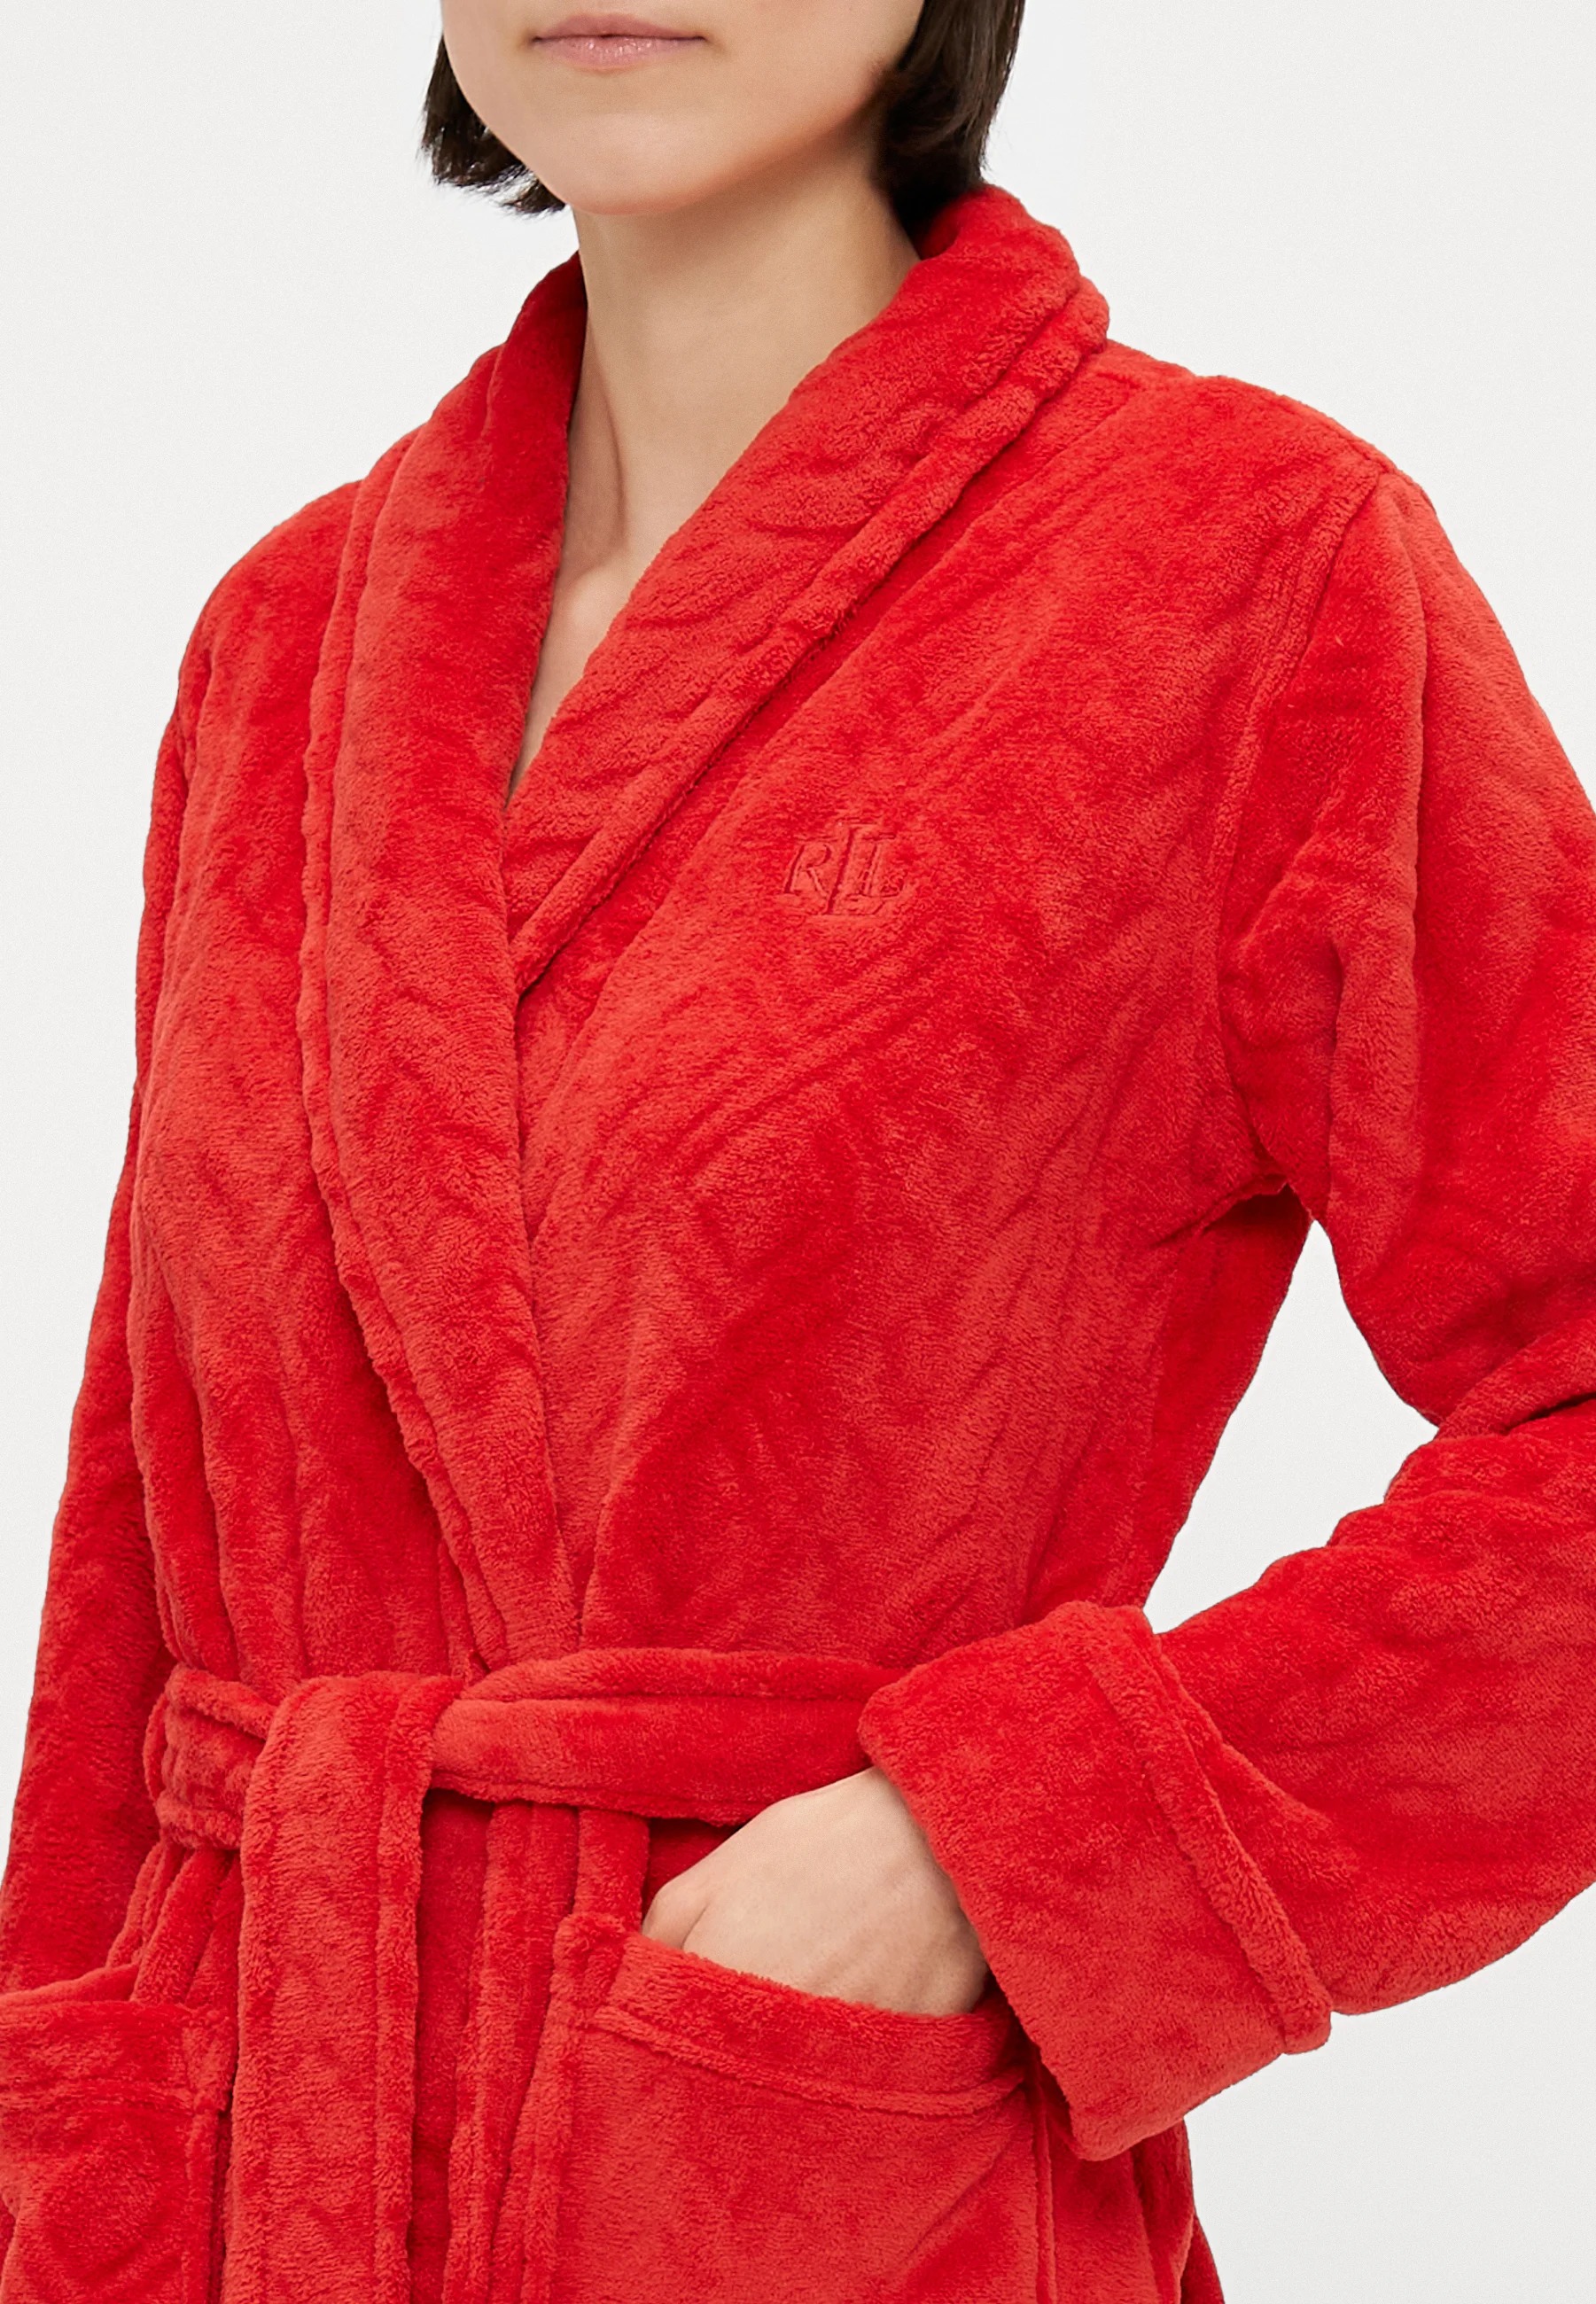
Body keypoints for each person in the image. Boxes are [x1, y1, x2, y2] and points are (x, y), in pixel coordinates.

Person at [2, 4, 1592, 2299]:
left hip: (797, 2167)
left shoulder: (1242, 569)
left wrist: (1003, 1851)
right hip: (243, 2152)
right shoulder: (291, 632)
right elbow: (136, 1543)